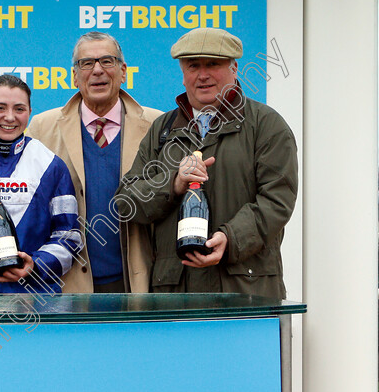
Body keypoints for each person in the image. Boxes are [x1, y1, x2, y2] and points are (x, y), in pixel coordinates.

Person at [0, 32, 161, 293]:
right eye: (87, 63)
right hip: (69, 286)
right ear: (74, 75)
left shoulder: (157, 126)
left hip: (135, 281)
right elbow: (8, 141)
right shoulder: (42, 126)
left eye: (107, 61)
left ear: (123, 71)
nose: (98, 71)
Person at [116, 28, 298, 298]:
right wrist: (173, 183)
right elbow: (127, 201)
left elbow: (277, 201)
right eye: (193, 66)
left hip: (245, 292)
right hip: (176, 295)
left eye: (213, 64)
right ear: (182, 72)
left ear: (234, 67)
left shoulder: (266, 125)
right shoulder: (161, 130)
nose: (203, 75)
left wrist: (230, 238)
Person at [0, 75, 81, 294]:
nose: (10, 117)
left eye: (19, 109)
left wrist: (37, 265)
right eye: (0, 108)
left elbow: (70, 235)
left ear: (30, 112)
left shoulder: (51, 164)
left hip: (32, 301)